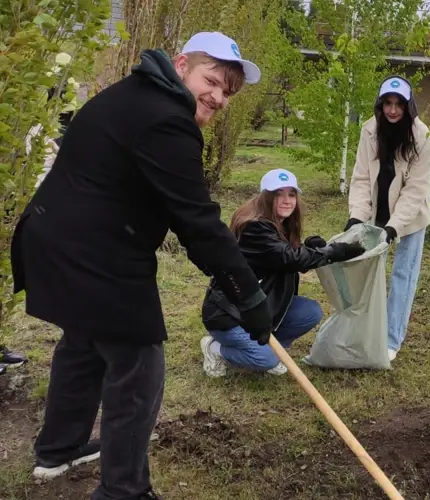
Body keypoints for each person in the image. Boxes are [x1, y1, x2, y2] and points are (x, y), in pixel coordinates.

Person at [10, 32, 274, 500]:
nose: (218, 97)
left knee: (83, 343)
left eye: (228, 91)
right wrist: (248, 293)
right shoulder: (166, 119)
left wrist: (234, 284)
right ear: (182, 65)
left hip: (57, 239)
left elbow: (177, 211)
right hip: (94, 252)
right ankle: (124, 490)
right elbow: (196, 219)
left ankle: (58, 450)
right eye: (212, 80)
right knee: (138, 363)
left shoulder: (134, 94)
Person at [200, 169, 365, 377]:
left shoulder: (280, 222)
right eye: (278, 194)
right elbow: (289, 258)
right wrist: (332, 252)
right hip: (230, 314)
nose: (287, 200)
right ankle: (216, 349)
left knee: (310, 312)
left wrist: (310, 248)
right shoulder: (254, 227)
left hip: (261, 304)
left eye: (291, 194)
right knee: (265, 359)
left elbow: (285, 260)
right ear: (265, 196)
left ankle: (269, 351)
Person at [346, 75, 430, 363]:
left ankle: (391, 339)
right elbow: (361, 177)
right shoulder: (369, 131)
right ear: (380, 104)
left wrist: (395, 226)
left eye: (399, 104)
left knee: (402, 276)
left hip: (411, 215)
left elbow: (416, 189)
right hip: (377, 210)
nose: (393, 110)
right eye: (388, 103)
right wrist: (357, 216)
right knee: (369, 270)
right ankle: (367, 329)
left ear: (408, 106)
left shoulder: (421, 136)